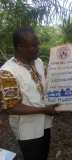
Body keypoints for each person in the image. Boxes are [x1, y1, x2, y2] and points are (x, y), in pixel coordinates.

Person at [0, 26, 58, 160]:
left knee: (43, 155)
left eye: (37, 44)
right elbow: (11, 107)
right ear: (20, 47)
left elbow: (48, 83)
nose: (38, 47)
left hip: (45, 122)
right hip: (27, 130)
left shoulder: (38, 62)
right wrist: (44, 109)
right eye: (33, 45)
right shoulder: (7, 72)